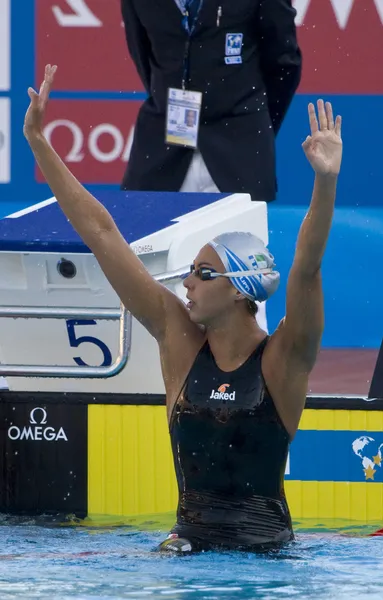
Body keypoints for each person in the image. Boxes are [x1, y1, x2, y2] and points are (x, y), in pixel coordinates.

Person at [24, 65, 342, 553]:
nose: (188, 282)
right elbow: (104, 234)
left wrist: (325, 182)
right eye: (191, 270)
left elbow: (306, 269)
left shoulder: (283, 361)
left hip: (267, 559)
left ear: (241, 290)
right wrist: (39, 142)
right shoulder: (178, 340)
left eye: (204, 273)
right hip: (185, 549)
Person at [120, 0, 302, 200]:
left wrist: (252, 121)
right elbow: (142, 54)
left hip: (239, 150)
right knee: (139, 226)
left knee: (238, 232)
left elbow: (284, 64)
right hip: (162, 153)